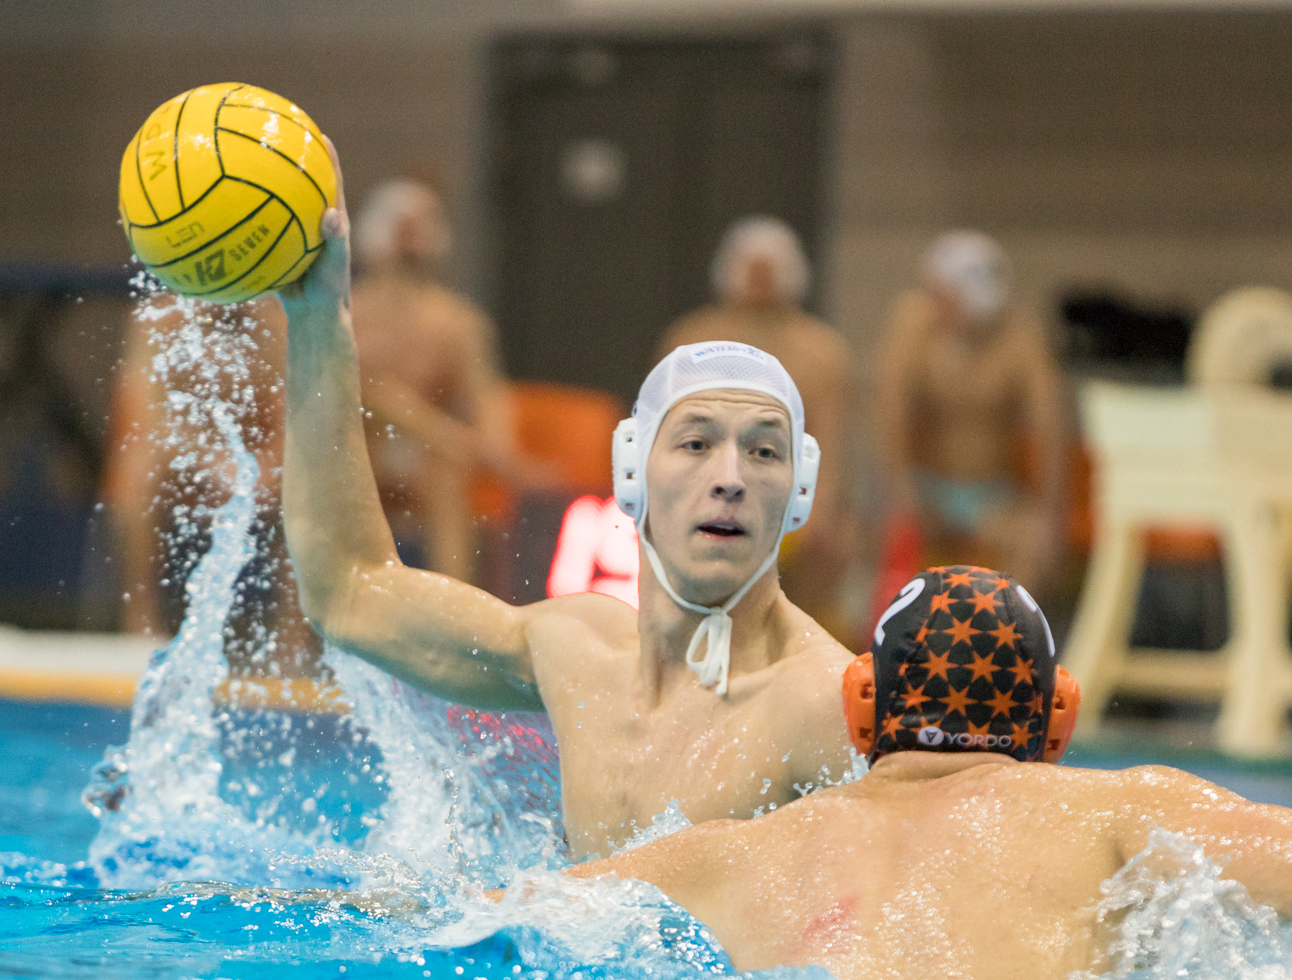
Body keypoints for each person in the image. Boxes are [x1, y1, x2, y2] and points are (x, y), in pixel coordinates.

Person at [559, 566, 1292, 980]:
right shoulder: (1113, 810)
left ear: (860, 708)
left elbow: (494, 923)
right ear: (1058, 719)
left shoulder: (718, 855)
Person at [277, 147, 853, 860]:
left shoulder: (827, 704)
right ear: (632, 472)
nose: (730, 476)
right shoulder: (574, 653)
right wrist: (316, 322)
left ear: (799, 491)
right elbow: (348, 593)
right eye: (697, 443)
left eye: (764, 451)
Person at [659, 217, 855, 633]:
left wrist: (820, 514)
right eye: (753, 271)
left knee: (832, 544)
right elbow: (665, 434)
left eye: (769, 272)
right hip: (706, 488)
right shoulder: (691, 339)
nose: (760, 284)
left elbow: (831, 447)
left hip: (784, 498)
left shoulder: (822, 352)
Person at [350, 178, 551, 582]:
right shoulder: (345, 314)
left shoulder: (457, 322)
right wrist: (441, 433)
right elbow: (359, 396)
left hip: (428, 457)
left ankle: (454, 610)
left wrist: (498, 449)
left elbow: (488, 399)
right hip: (354, 446)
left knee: (445, 470)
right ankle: (295, 635)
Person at [107, 295, 319, 677]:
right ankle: (139, 621)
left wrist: (265, 465)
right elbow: (152, 420)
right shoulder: (158, 320)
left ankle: (292, 640)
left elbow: (299, 415)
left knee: (304, 475)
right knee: (140, 468)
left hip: (257, 465)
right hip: (184, 461)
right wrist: (213, 459)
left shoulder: (275, 323)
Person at [876, 232, 1066, 595]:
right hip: (926, 484)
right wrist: (902, 489)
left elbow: (1048, 428)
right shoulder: (914, 323)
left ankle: (1004, 644)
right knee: (886, 540)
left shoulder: (1019, 339)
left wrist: (1047, 515)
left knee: (1031, 546)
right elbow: (891, 408)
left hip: (990, 496)